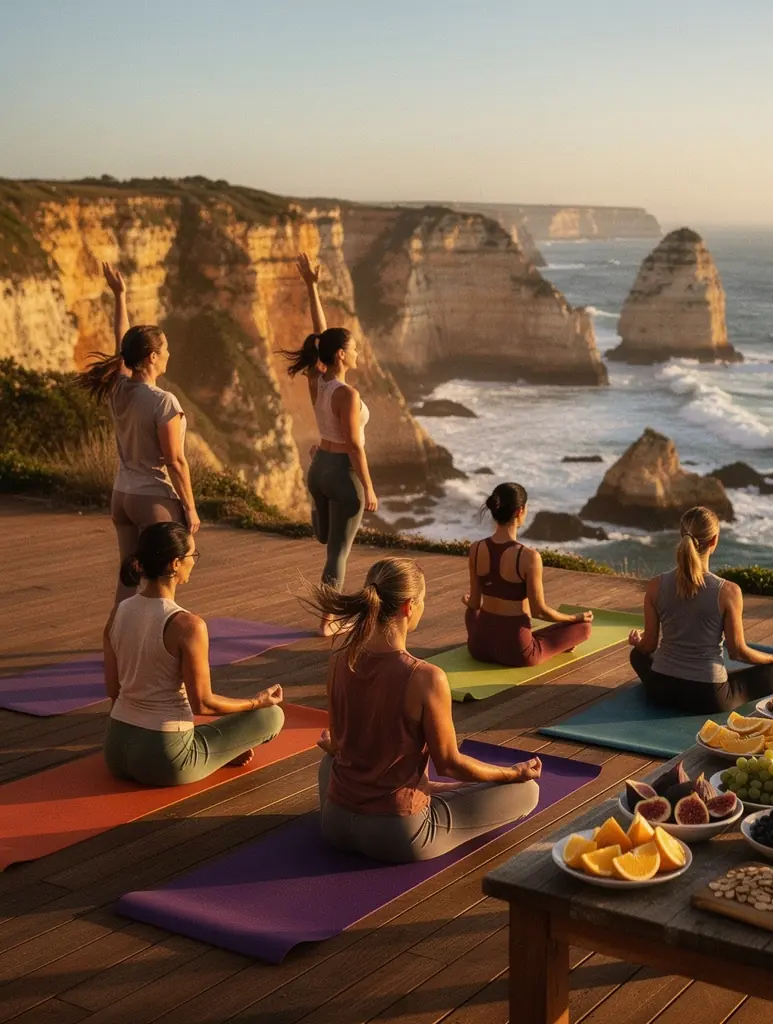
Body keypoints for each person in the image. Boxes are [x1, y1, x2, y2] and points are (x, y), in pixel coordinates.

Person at [311, 557, 541, 863]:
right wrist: (511, 773)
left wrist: (337, 747)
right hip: (399, 834)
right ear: (409, 607)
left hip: (336, 823)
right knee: (527, 791)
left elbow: (340, 745)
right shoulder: (425, 677)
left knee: (330, 761)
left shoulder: (340, 658)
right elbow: (449, 764)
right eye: (423, 601)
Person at [102, 522, 285, 787]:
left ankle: (223, 748)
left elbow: (113, 690)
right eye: (192, 555)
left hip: (116, 749)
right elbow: (204, 705)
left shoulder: (117, 612)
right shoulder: (188, 626)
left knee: (212, 730)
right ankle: (224, 749)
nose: (193, 563)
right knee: (272, 716)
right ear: (175, 563)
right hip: (165, 759)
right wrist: (257, 702)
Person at [77, 263, 200, 604]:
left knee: (128, 578)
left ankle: (117, 632)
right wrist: (190, 508)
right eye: (165, 349)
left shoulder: (118, 388)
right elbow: (175, 461)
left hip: (123, 496)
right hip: (153, 498)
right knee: (169, 575)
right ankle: (160, 630)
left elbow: (123, 343)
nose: (170, 354)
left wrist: (120, 296)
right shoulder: (163, 401)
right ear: (152, 356)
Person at [285, 252, 378, 636]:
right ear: (341, 355)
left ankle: (321, 516)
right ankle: (328, 620)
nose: (357, 352)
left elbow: (321, 337)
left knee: (327, 538)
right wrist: (369, 487)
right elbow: (355, 446)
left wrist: (312, 286)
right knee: (338, 551)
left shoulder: (318, 380)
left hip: (319, 468)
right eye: (353, 348)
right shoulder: (348, 395)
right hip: (341, 471)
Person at [628, 506, 773, 714]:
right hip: (708, 697)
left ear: (682, 536)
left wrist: (638, 643)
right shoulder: (728, 591)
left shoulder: (655, 586)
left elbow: (648, 647)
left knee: (636, 655)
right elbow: (737, 652)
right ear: (714, 541)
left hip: (660, 690)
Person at [463, 483, 593, 668]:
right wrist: (575, 618)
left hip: (479, 648)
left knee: (472, 611)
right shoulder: (529, 556)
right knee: (583, 628)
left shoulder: (475, 548)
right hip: (517, 652)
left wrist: (469, 601)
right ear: (520, 511)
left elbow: (474, 604)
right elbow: (539, 611)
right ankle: (556, 642)